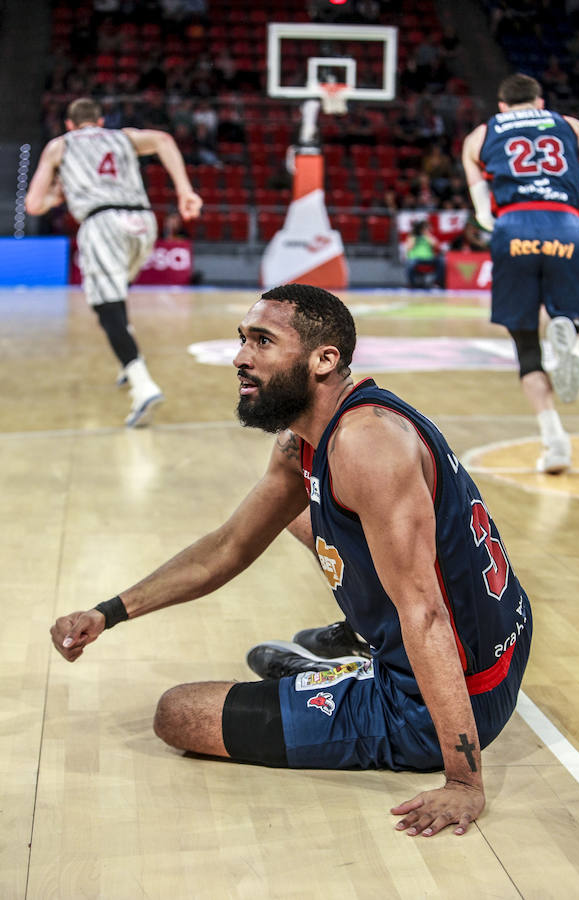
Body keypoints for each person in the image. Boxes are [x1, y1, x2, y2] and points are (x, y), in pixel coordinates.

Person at [50, 283, 532, 838]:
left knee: (178, 713)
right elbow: (229, 546)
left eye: (262, 342)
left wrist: (463, 781)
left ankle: (354, 670)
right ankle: (357, 653)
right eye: (242, 339)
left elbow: (425, 614)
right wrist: (108, 613)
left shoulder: (366, 446)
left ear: (324, 360)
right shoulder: (320, 432)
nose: (240, 357)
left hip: (445, 699)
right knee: (300, 515)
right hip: (507, 636)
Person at [461, 73, 579, 474]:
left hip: (513, 226)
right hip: (565, 224)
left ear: (502, 106)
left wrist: (488, 220)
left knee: (525, 345)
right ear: (540, 103)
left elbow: (479, 194)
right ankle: (578, 351)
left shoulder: (481, 134)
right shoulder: (566, 124)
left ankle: (555, 443)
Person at [25, 97, 203, 427]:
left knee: (106, 308)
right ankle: (127, 360)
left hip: (101, 222)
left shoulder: (60, 146)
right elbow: (164, 140)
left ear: (69, 125)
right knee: (116, 296)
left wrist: (55, 195)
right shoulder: (123, 136)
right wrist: (184, 191)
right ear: (101, 121)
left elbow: (34, 205)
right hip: (142, 223)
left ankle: (142, 384)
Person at [404, 219, 445, 289]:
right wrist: (414, 236)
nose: (426, 230)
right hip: (416, 258)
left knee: (441, 260)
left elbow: (436, 245)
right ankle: (412, 284)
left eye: (426, 228)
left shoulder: (429, 236)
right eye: (424, 228)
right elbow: (409, 247)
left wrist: (427, 235)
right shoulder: (413, 236)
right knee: (410, 263)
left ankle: (436, 282)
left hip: (429, 258)